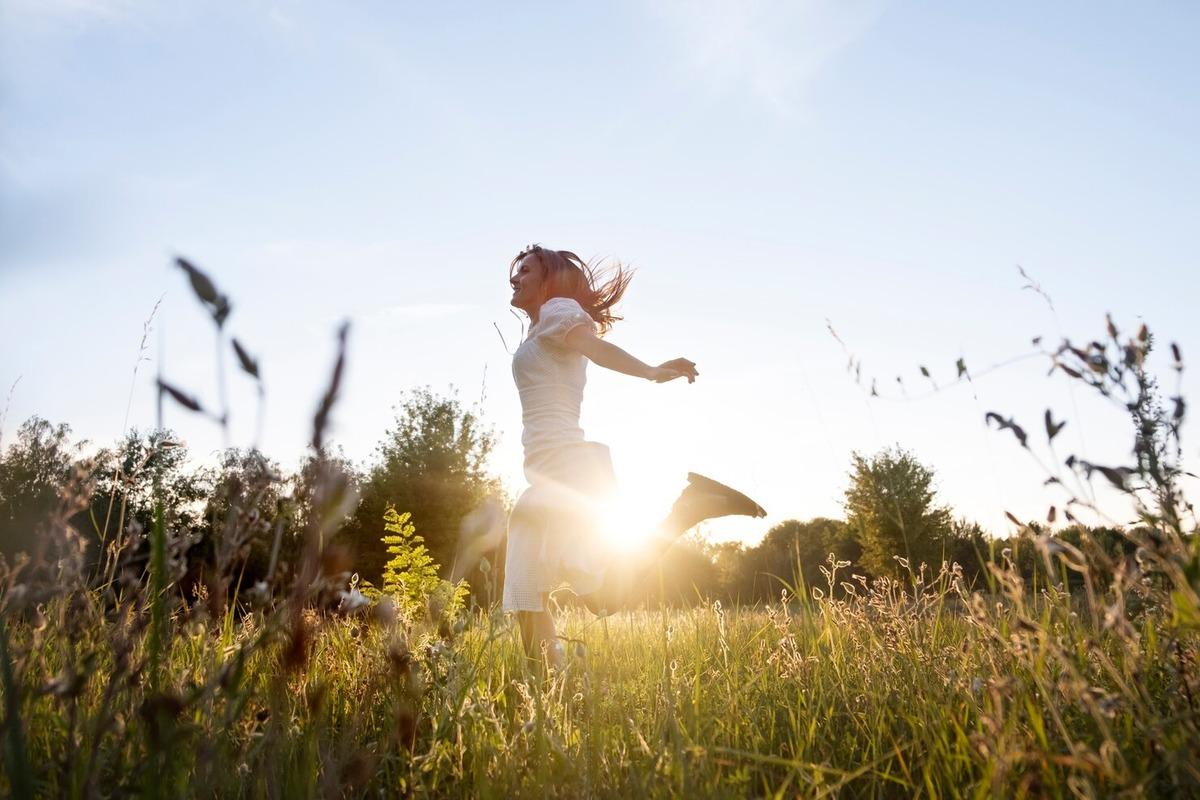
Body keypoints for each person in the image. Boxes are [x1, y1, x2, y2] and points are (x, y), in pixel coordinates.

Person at [502, 244, 765, 667]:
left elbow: (595, 347)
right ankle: (554, 685)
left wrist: (650, 371)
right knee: (523, 591)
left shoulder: (558, 312)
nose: (515, 278)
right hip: (545, 476)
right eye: (515, 272)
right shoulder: (539, 328)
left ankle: (688, 511)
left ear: (549, 280)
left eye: (526, 271)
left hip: (567, 471)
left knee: (602, 596)